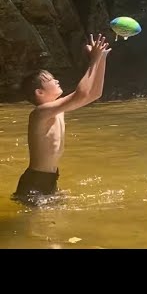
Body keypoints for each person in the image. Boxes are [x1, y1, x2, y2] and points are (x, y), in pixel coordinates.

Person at [12, 33, 112, 205]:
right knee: (39, 230)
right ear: (39, 92)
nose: (57, 80)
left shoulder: (58, 109)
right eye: (51, 80)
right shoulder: (40, 113)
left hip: (49, 181)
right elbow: (81, 93)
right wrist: (93, 60)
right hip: (34, 183)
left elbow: (94, 93)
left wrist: (101, 58)